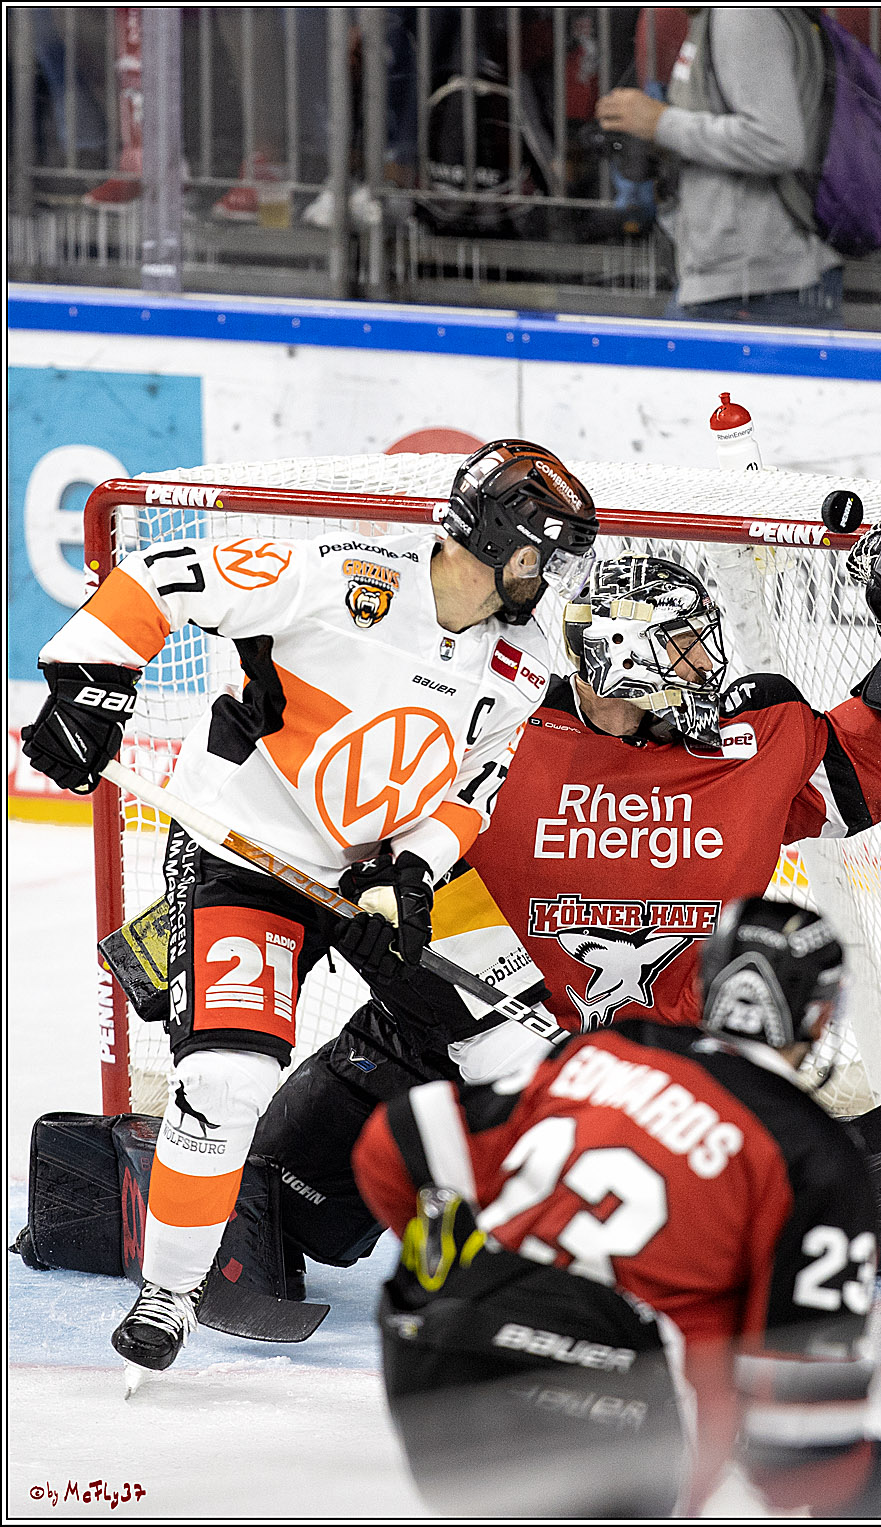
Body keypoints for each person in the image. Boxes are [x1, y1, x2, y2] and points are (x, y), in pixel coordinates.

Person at [255, 528, 881, 1284]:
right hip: (449, 1051)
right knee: (263, 1197)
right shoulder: (491, 728)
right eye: (685, 647)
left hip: (662, 1090)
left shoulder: (754, 745)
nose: (710, 665)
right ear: (623, 653)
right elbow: (333, 842)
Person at [21, 438, 598, 1380]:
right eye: (545, 552)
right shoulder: (347, 579)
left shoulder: (519, 659)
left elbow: (473, 790)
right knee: (227, 1084)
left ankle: (536, 1277)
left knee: (521, 1053)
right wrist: (92, 680)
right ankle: (169, 1289)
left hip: (381, 873)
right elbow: (163, 575)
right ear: (497, 540)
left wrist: (409, 873)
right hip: (250, 860)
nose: (553, 576)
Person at [351, 895, 881, 1518]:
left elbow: (395, 1144)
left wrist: (466, 1261)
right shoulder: (815, 1155)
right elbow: (798, 1440)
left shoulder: (605, 1050)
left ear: (704, 981)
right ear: (819, 1013)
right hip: (613, 1400)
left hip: (435, 1351)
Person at [595, 7, 846, 327]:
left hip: (759, 286)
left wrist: (662, 123)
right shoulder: (719, 17)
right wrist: (657, 138)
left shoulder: (741, 15)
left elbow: (776, 142)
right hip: (743, 278)